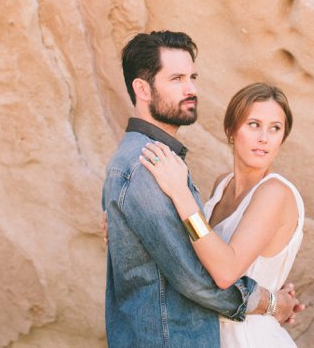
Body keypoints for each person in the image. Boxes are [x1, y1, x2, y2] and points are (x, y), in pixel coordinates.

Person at [102, 31, 302, 348]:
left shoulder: (158, 164)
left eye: (192, 77)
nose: (191, 89)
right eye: (177, 79)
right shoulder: (150, 166)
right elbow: (199, 278)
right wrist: (271, 301)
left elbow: (203, 260)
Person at [141, 82, 304, 347]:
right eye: (254, 124)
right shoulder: (222, 185)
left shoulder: (275, 192)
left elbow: (226, 271)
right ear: (231, 129)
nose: (264, 137)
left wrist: (181, 195)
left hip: (249, 338)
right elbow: (198, 255)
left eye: (275, 128)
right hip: (208, 333)